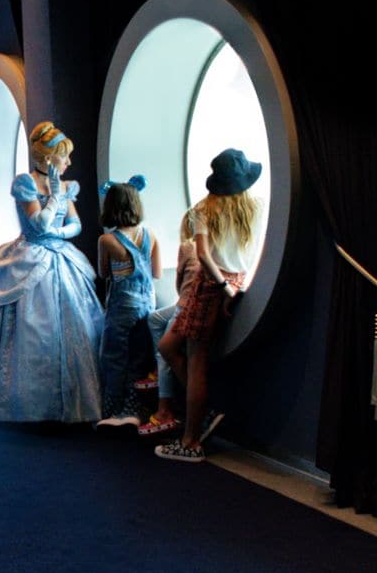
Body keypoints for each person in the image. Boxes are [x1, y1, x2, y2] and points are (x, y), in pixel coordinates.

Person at [0, 121, 104, 423]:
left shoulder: (66, 186)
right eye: (64, 156)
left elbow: (77, 225)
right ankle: (24, 403)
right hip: (28, 256)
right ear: (48, 159)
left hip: (59, 256)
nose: (69, 162)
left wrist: (59, 230)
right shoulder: (25, 183)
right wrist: (55, 198)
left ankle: (70, 403)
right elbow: (38, 225)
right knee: (29, 331)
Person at [155, 148, 263, 462]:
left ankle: (190, 441)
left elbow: (203, 255)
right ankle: (202, 409)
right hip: (235, 280)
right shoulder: (254, 208)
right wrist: (233, 287)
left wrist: (221, 287)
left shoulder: (204, 209)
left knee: (196, 360)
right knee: (168, 346)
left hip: (211, 284)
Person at [95, 176, 162, 432]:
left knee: (114, 357)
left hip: (122, 305)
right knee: (139, 359)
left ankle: (114, 410)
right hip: (147, 304)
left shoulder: (107, 241)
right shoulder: (150, 235)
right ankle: (136, 411)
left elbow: (104, 274)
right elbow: (156, 273)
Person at [137, 211, 200, 436]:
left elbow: (179, 282)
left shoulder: (188, 246)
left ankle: (164, 410)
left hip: (186, 305)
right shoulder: (214, 248)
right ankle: (158, 368)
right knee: (155, 319)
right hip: (194, 303)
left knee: (165, 350)